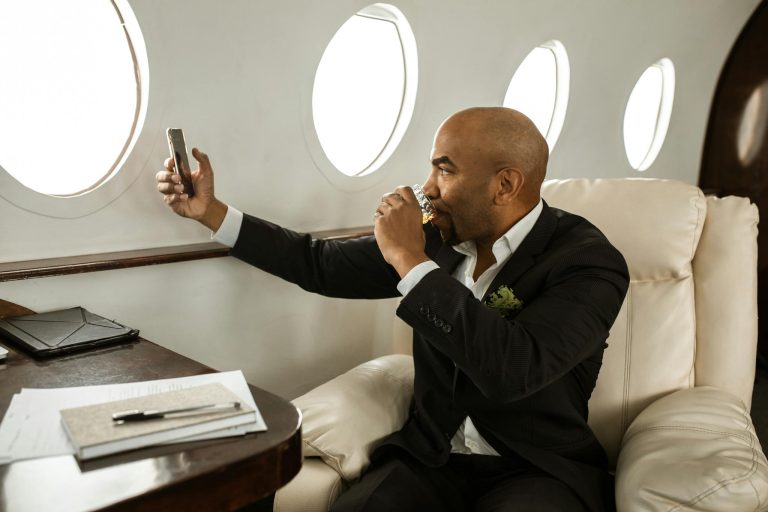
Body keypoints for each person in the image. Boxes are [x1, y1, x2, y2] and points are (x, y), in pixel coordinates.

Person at [156, 107, 629, 511]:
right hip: (430, 458)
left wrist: (409, 260)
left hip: (535, 469)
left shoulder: (587, 262)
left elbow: (512, 370)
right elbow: (317, 264)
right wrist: (212, 213)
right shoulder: (438, 235)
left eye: (445, 170)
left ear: (504, 184)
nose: (428, 189)